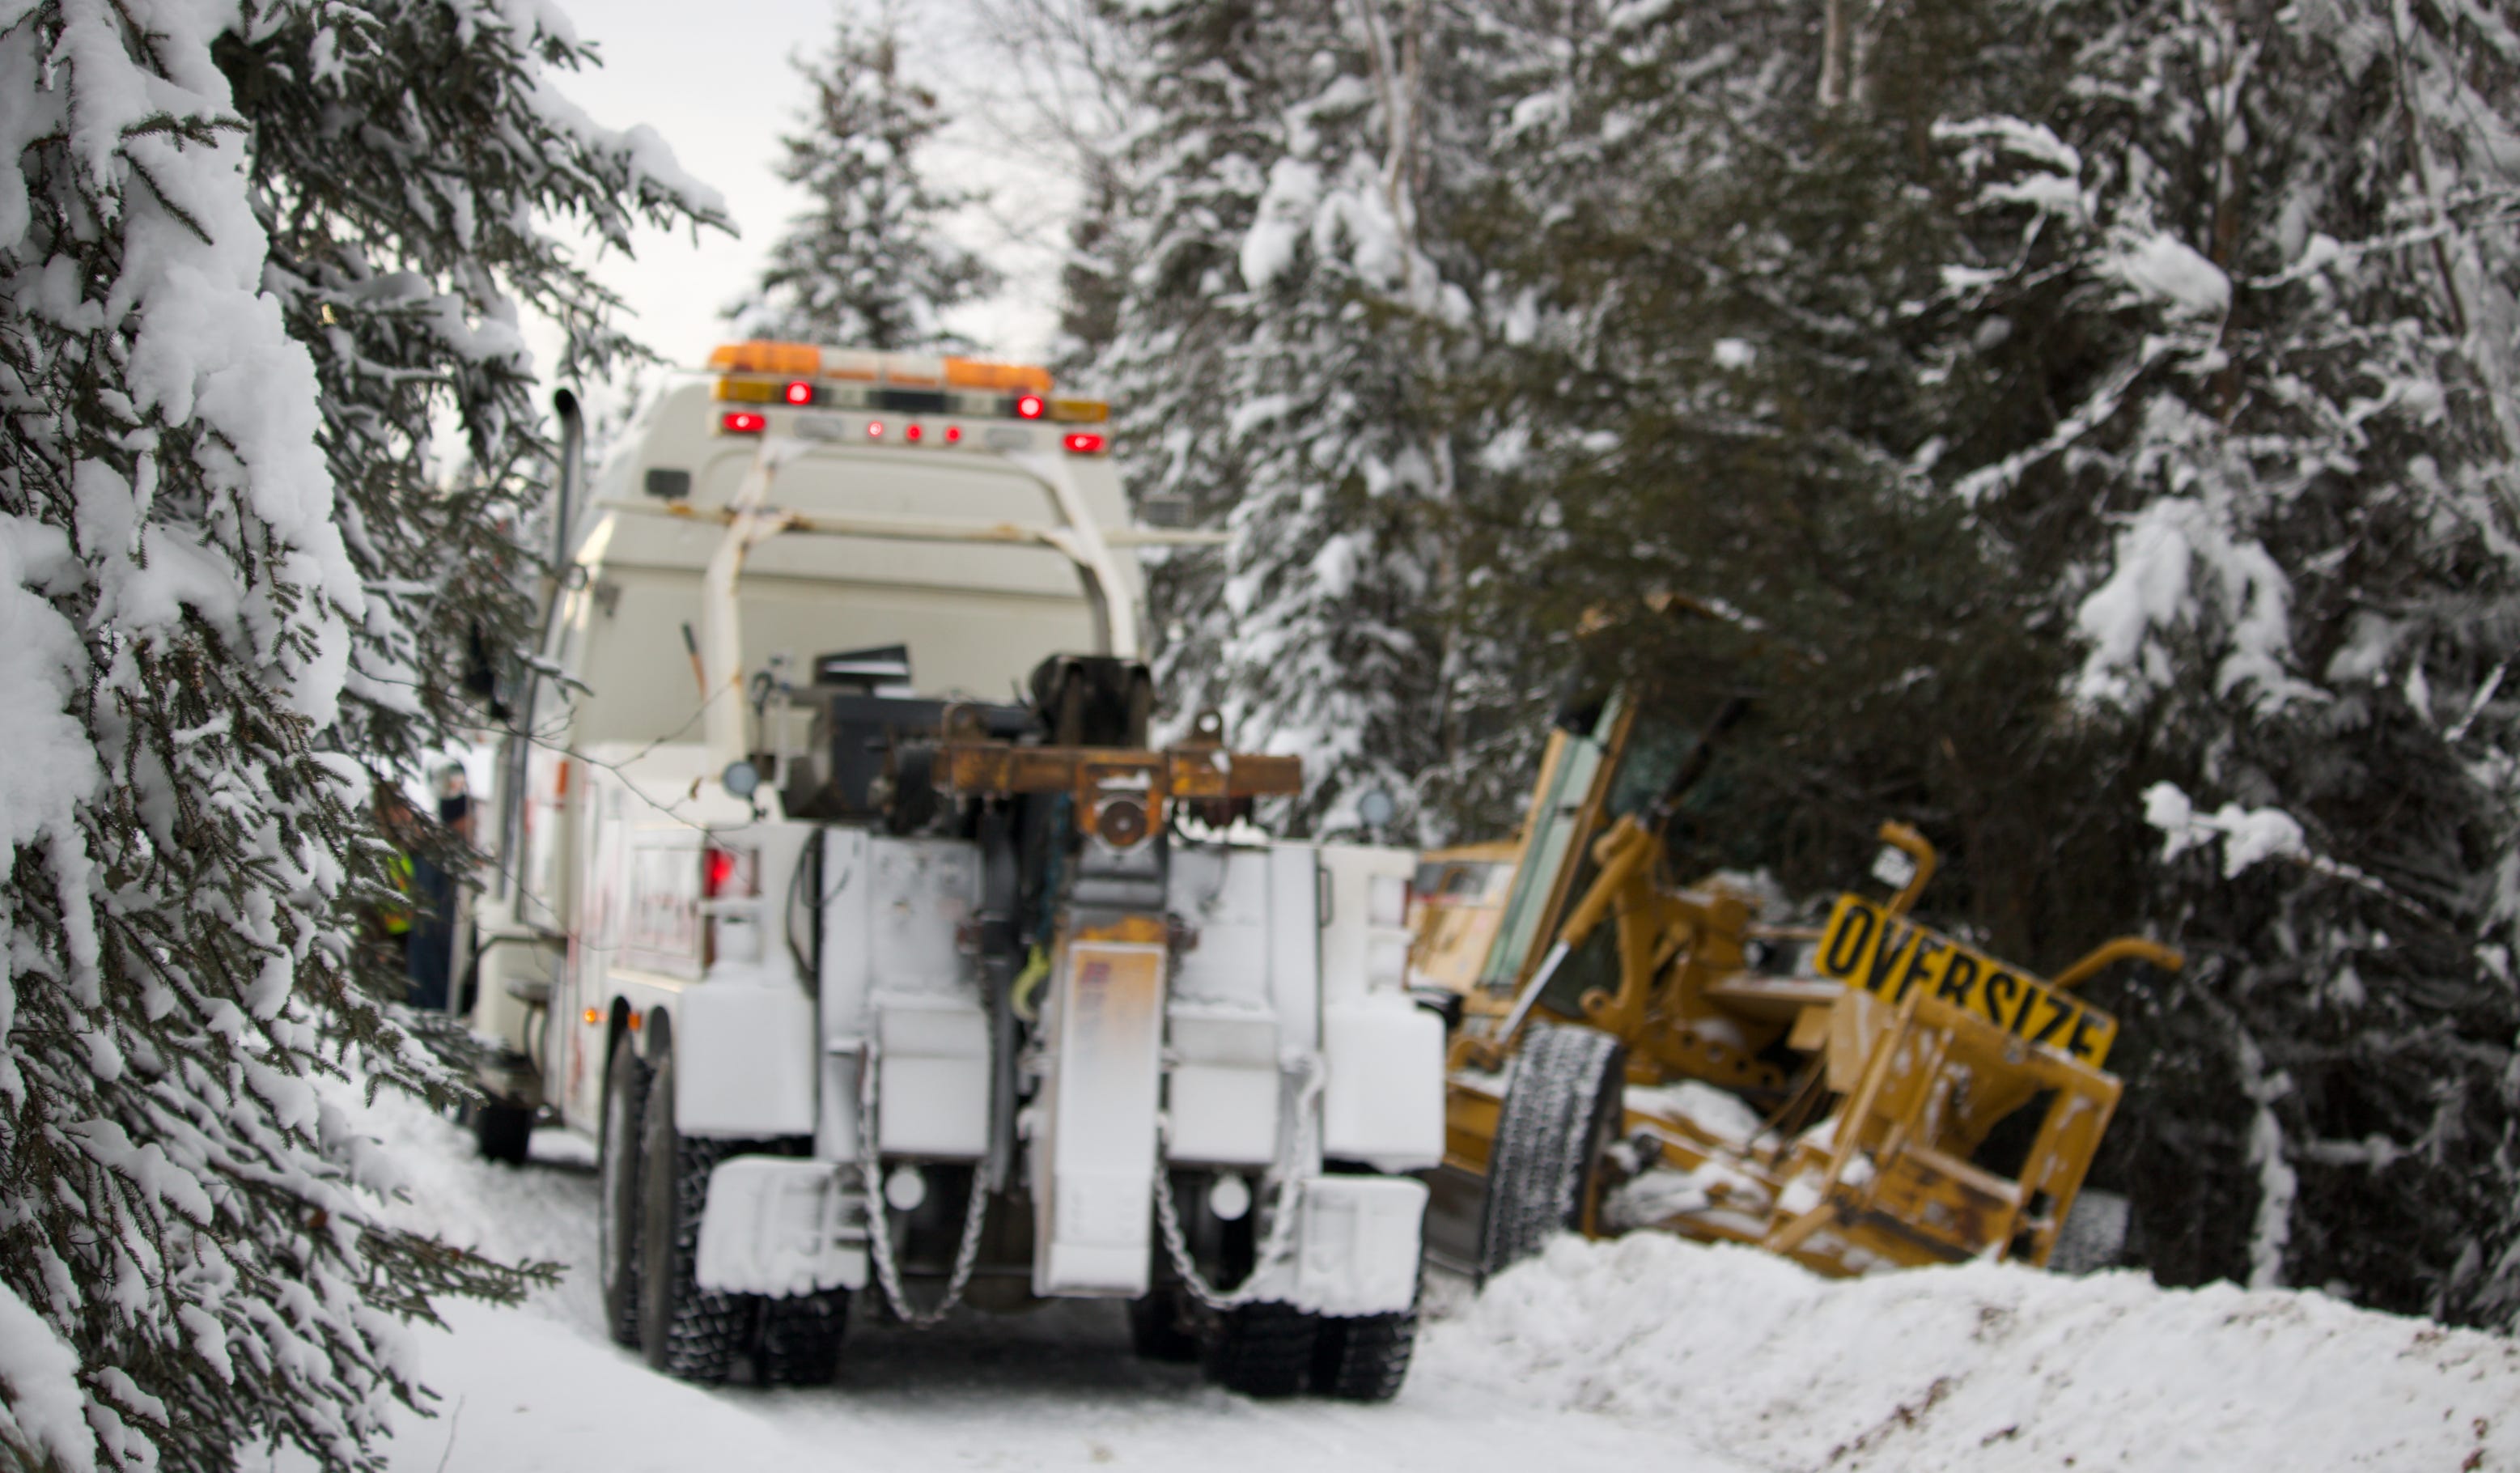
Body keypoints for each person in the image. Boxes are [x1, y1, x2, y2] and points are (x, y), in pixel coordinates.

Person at [404, 764, 469, 1012]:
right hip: (435, 974)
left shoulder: (430, 855)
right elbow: (442, 924)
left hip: (424, 969)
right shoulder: (443, 862)